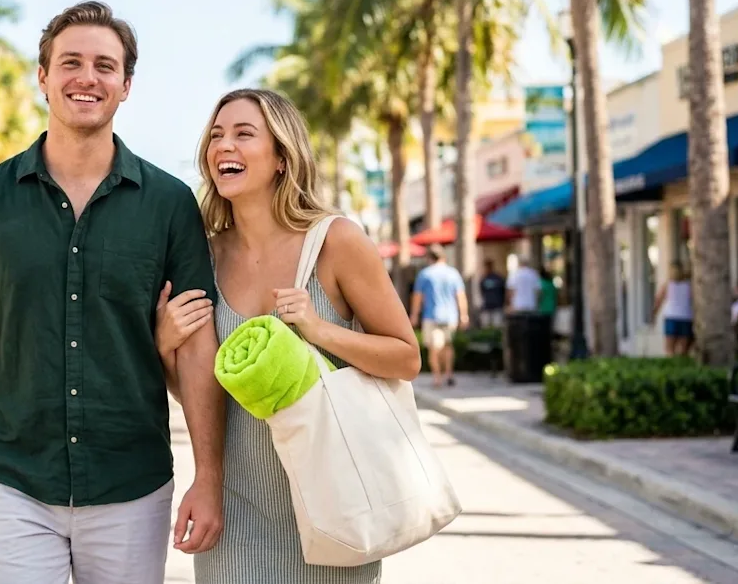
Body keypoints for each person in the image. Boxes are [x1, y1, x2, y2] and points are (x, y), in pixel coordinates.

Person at [0, 1, 225, 584]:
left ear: (126, 86)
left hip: (131, 483)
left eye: (105, 66)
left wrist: (208, 475)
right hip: (14, 482)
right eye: (71, 62)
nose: (88, 78)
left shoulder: (169, 204)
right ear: (43, 77)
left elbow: (196, 343)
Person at [157, 88, 420, 584]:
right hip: (235, 506)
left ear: (281, 156)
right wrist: (165, 347)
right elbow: (209, 392)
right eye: (216, 136)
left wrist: (319, 331)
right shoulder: (203, 257)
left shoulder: (336, 242)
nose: (223, 147)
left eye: (243, 134)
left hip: (334, 504)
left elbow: (406, 358)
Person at [410, 246, 468, 389]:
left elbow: (417, 297)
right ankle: (448, 374)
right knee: (448, 346)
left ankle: (437, 377)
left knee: (434, 348)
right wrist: (464, 315)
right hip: (451, 316)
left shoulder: (425, 274)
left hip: (432, 315)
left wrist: (414, 315)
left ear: (429, 258)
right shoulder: (453, 273)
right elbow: (460, 296)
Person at [653, 261, 694, 357]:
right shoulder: (688, 285)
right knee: (683, 350)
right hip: (685, 317)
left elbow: (658, 301)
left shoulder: (667, 285)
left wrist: (654, 315)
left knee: (670, 349)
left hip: (672, 317)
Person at [479, 258, 506, 328]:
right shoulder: (483, 279)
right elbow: (481, 292)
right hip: (486, 306)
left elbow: (503, 291)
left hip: (497, 306)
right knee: (486, 327)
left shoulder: (498, 278)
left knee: (497, 326)